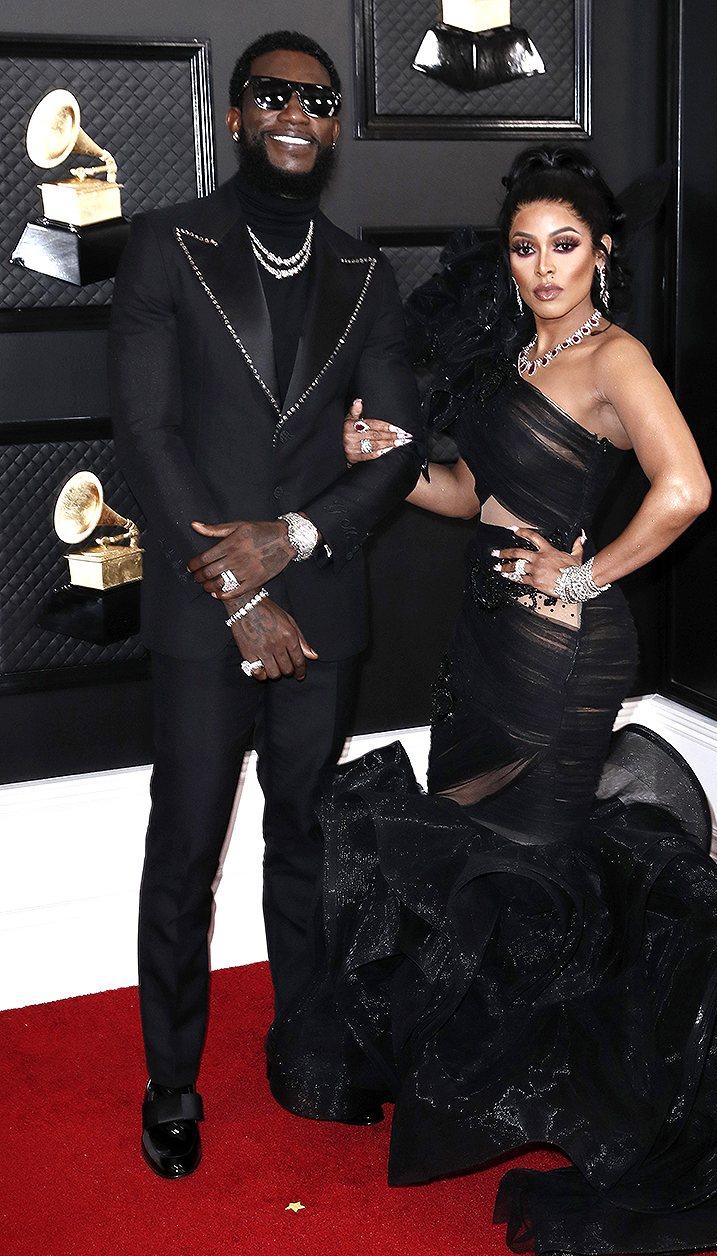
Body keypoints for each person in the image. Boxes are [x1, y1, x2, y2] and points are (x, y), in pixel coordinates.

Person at [266, 146, 717, 1256]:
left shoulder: (617, 360)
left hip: (560, 654)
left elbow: (685, 487)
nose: (543, 268)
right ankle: (527, 1089)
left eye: (563, 246)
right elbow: (477, 497)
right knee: (482, 858)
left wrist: (586, 574)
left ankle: (606, 1104)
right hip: (485, 642)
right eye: (523, 248)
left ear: (600, 255)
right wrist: (398, 462)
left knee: (533, 864)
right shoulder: (523, 350)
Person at [109, 30, 423, 1180]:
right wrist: (242, 596)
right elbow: (147, 437)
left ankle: (309, 1052)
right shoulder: (164, 246)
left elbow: (392, 450)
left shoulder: (364, 273)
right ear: (237, 114)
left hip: (326, 603)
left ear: (336, 126)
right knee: (185, 852)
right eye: (274, 95)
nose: (297, 112)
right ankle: (172, 1082)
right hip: (204, 621)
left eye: (318, 100)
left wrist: (290, 539)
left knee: (305, 842)